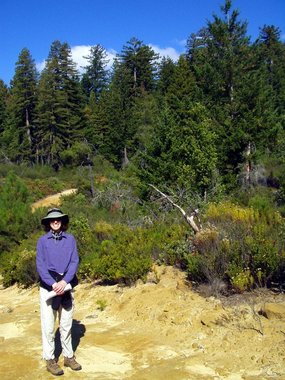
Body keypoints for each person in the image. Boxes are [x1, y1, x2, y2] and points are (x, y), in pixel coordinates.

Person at [36, 208, 82, 376]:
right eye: (52, 220)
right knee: (48, 326)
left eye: (58, 219)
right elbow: (40, 265)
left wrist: (64, 281)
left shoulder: (70, 239)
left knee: (66, 324)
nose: (55, 222)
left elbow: (74, 261)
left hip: (66, 286)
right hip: (48, 288)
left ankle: (69, 357)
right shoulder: (42, 241)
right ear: (48, 223)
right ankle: (50, 359)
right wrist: (53, 283)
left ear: (63, 221)